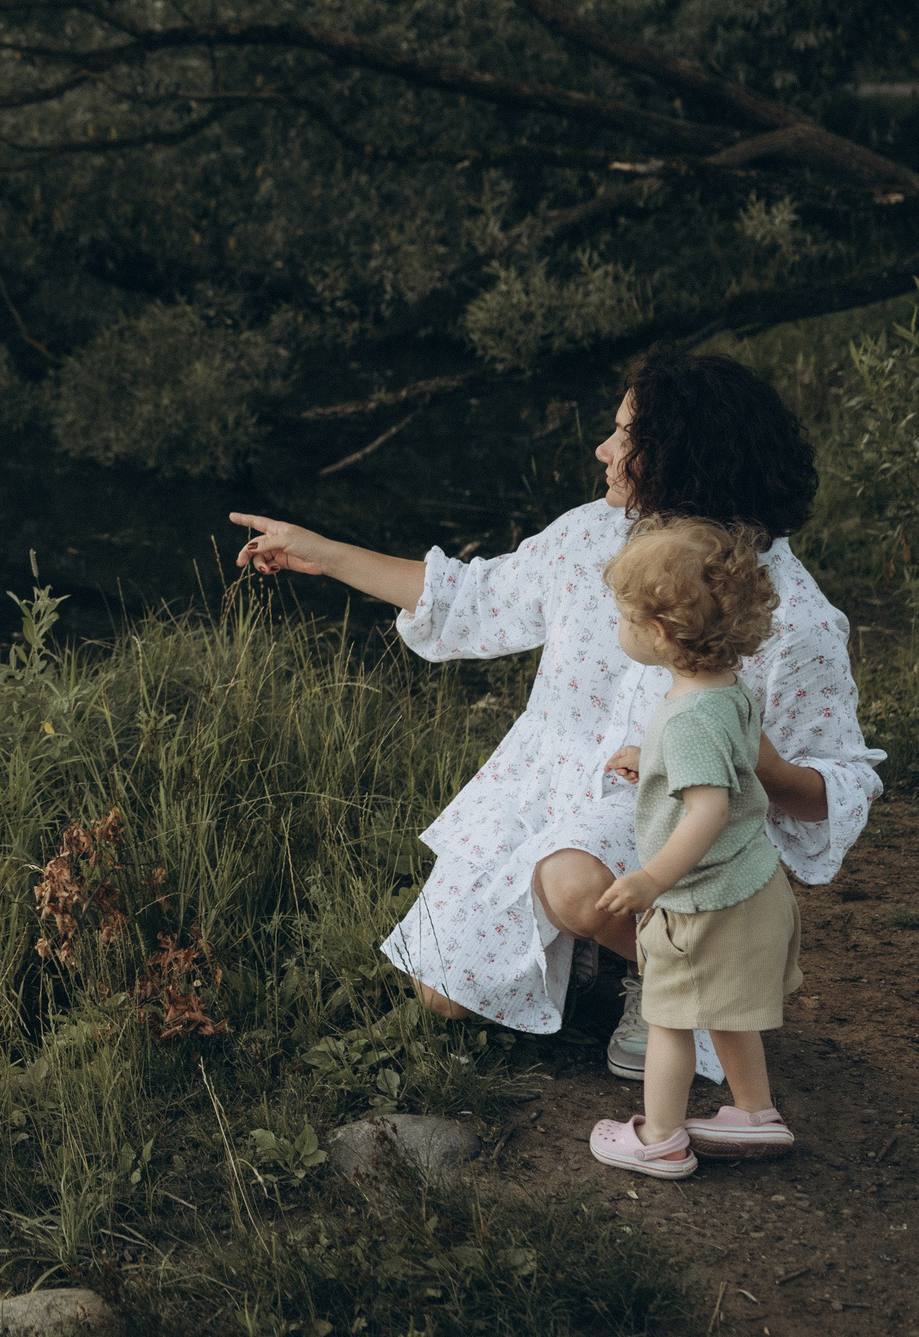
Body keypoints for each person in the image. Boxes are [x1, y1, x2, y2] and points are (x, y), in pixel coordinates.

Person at [229, 347, 882, 1081]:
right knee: (441, 991)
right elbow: (470, 598)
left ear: (680, 455)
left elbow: (838, 784)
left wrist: (757, 761)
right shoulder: (593, 536)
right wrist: (323, 551)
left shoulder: (789, 610)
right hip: (545, 791)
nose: (604, 450)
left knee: (573, 880)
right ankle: (590, 958)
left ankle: (683, 972)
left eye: (625, 436)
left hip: (673, 826)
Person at [588, 516, 799, 1177]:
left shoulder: (688, 720)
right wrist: (648, 757)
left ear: (660, 634)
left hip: (700, 901)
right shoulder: (723, 690)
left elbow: (707, 807)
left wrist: (651, 879)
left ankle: (660, 1136)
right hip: (751, 884)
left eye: (625, 617)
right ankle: (754, 1110)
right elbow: (725, 765)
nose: (619, 627)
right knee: (726, 1006)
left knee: (672, 1018)